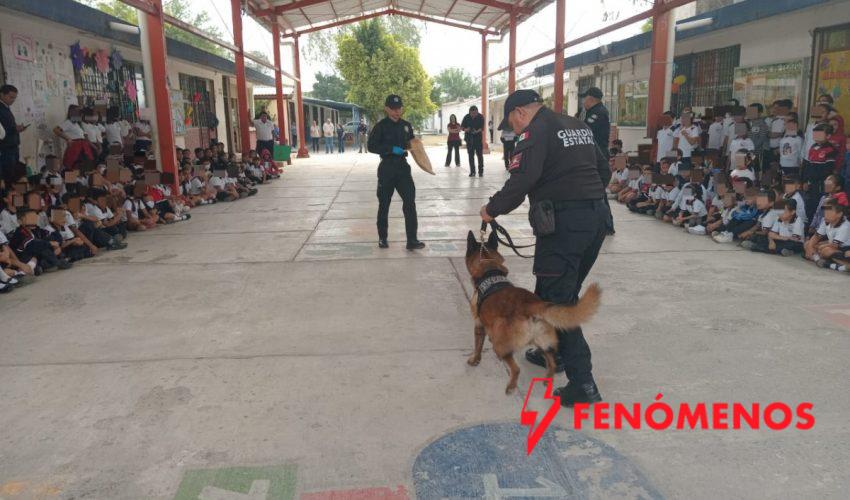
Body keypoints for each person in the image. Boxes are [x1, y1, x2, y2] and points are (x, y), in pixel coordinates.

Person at [481, 89, 611, 406]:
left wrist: (491, 209)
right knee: (554, 289)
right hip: (595, 220)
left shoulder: (535, 132)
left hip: (565, 226)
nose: (515, 130)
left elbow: (521, 181)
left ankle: (583, 384)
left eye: (513, 123)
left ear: (521, 113)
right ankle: (553, 352)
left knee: (558, 303)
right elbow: (604, 171)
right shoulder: (577, 125)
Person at [367, 95, 425, 251]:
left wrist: (417, 147)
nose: (396, 111)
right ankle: (382, 238)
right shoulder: (380, 127)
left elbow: (412, 143)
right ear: (386, 109)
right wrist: (390, 149)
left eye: (399, 108)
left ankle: (412, 240)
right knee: (384, 204)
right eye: (393, 109)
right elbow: (371, 146)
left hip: (403, 169)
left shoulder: (406, 125)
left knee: (410, 203)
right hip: (387, 168)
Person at [581, 87, 615, 235]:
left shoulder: (598, 113)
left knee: (598, 191)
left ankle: (607, 225)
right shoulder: (593, 112)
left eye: (585, 98)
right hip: (594, 155)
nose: (583, 101)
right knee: (595, 191)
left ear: (591, 99)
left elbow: (585, 131)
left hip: (598, 156)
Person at [0, 85, 28, 187]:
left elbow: (9, 125)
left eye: (14, 98)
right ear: (2, 94)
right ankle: (9, 194)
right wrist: (14, 129)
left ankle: (16, 193)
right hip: (6, 148)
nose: (13, 100)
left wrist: (17, 128)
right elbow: (2, 131)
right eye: (11, 97)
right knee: (9, 176)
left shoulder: (6, 108)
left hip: (13, 146)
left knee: (16, 174)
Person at [461, 105, 485, 177]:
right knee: (471, 156)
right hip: (469, 139)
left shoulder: (480, 117)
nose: (474, 115)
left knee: (479, 155)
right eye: (472, 113)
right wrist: (466, 129)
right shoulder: (466, 117)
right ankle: (472, 172)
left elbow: (482, 128)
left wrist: (477, 131)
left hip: (478, 139)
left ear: (477, 112)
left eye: (475, 113)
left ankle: (480, 171)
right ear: (470, 112)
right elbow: (462, 127)